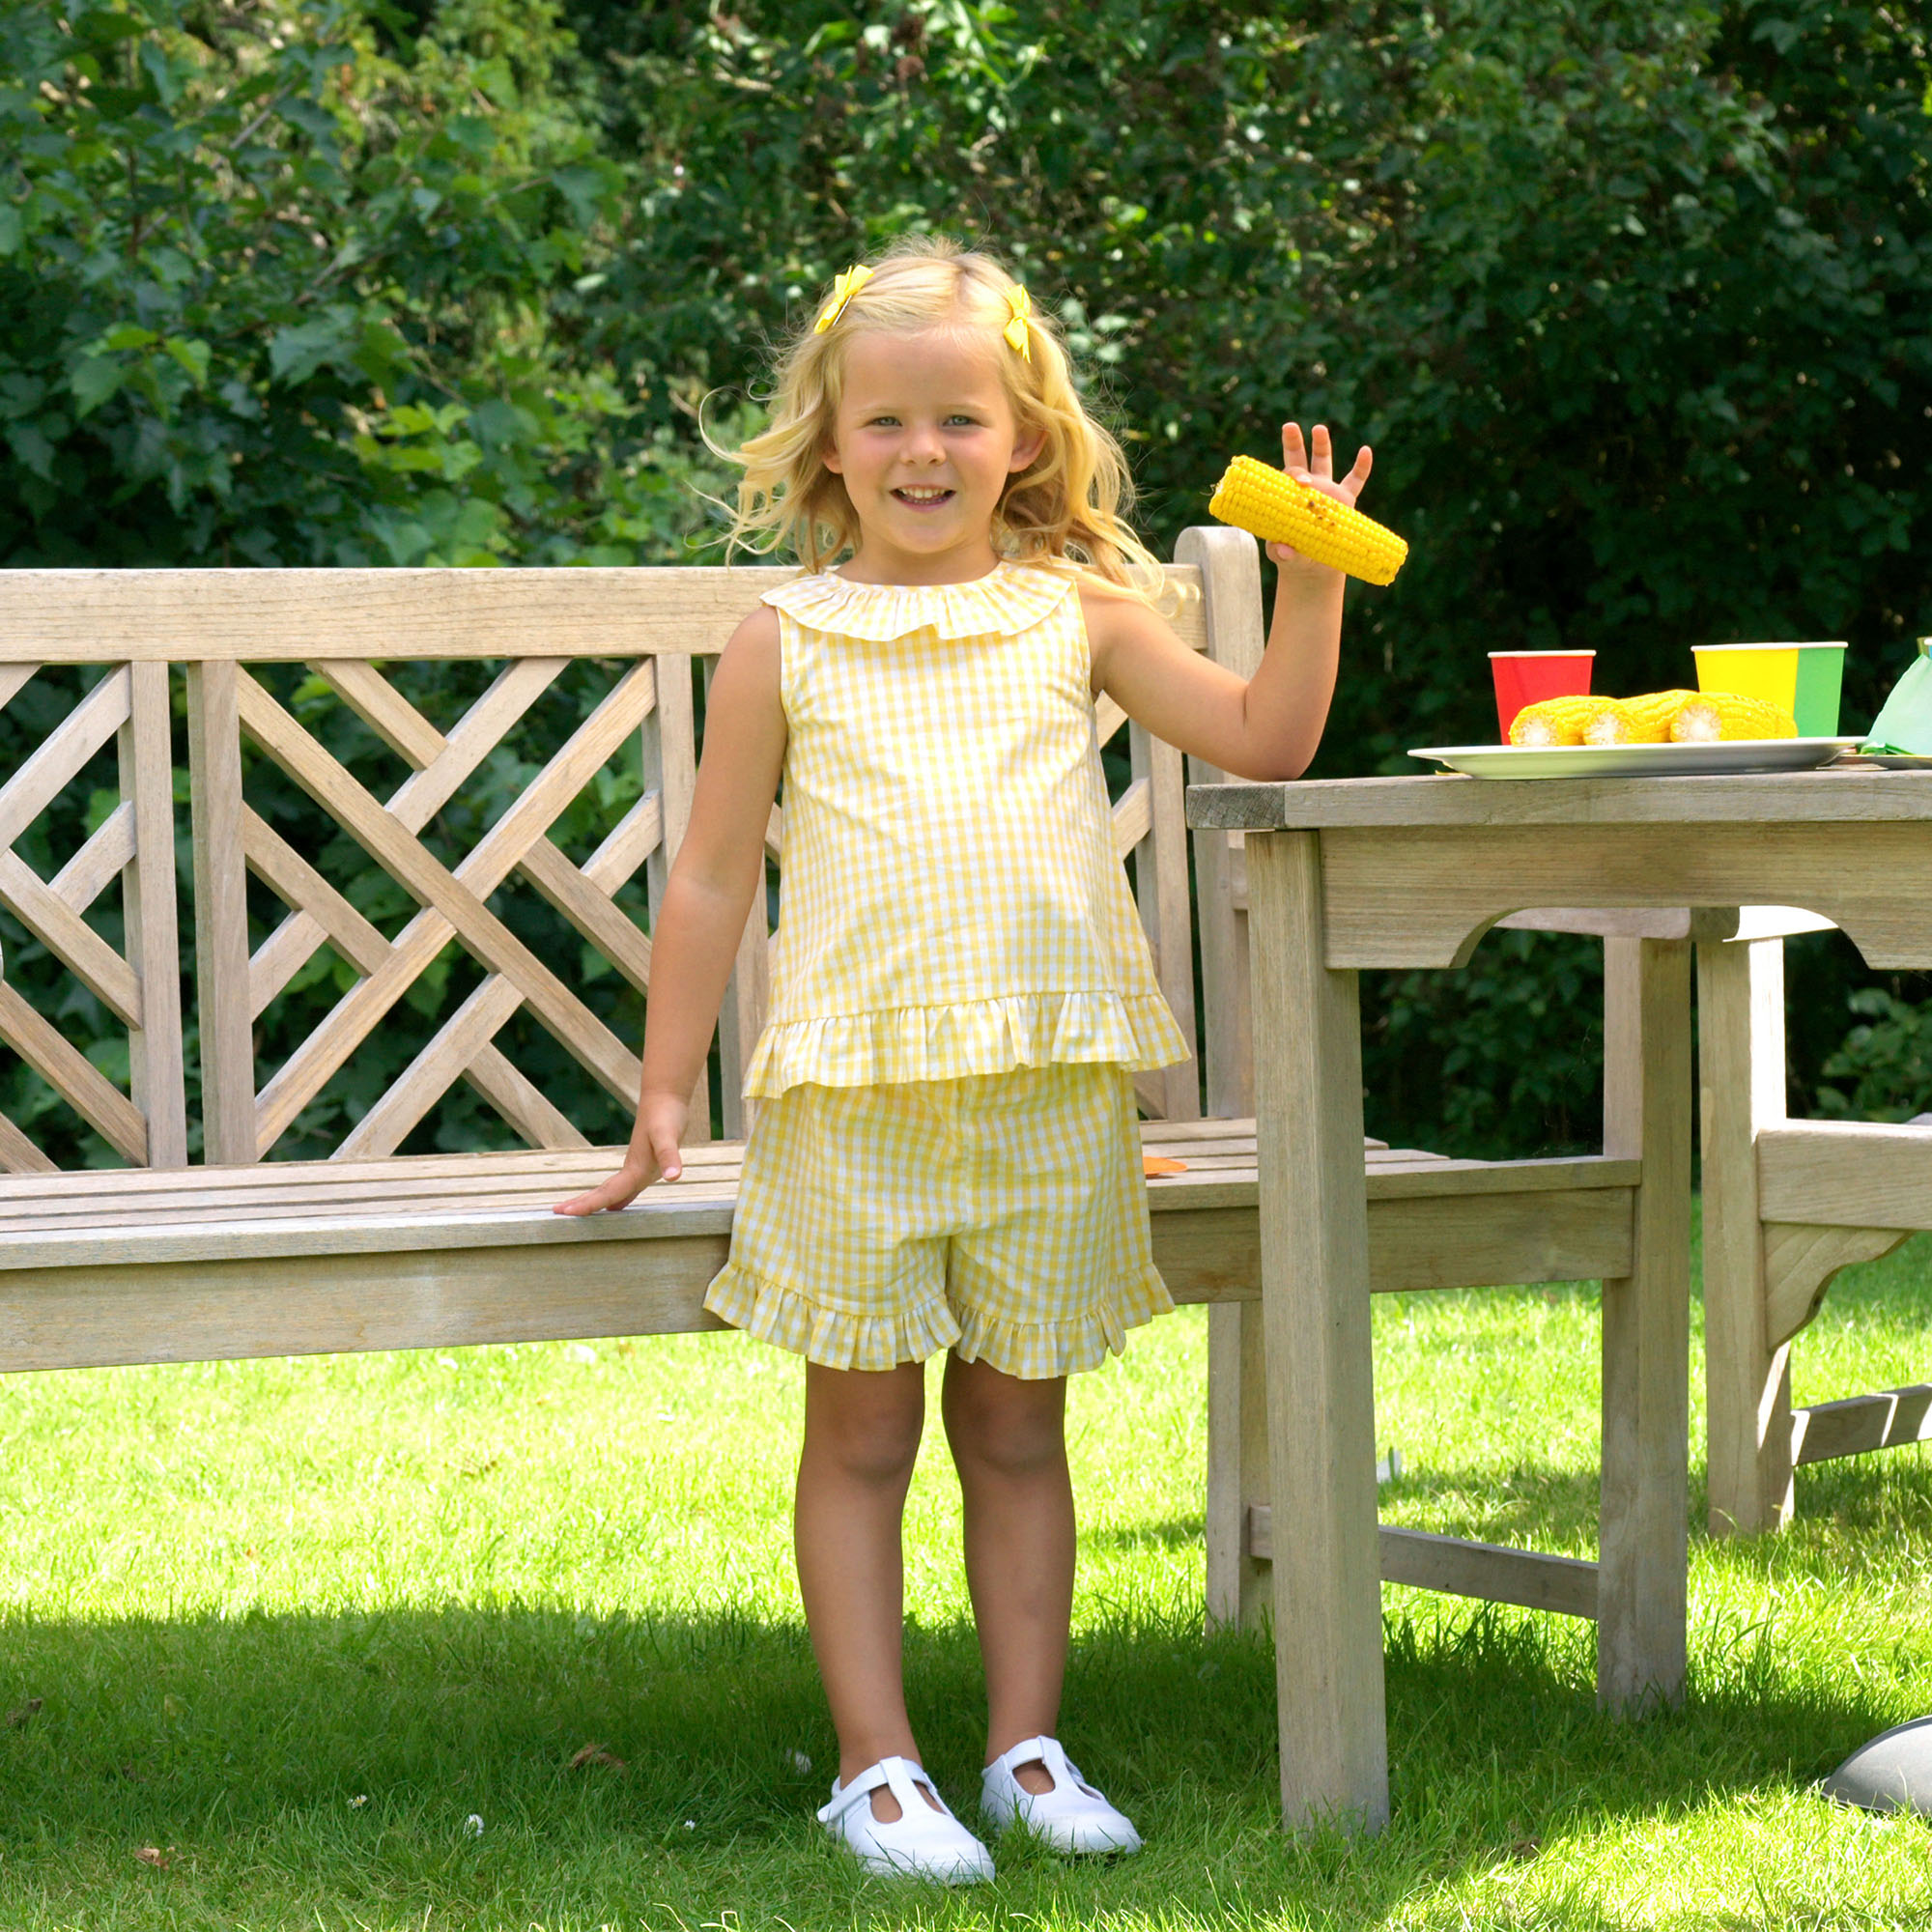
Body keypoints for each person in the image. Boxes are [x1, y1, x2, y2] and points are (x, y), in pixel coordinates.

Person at [555, 237, 1372, 1884]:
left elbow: (1269, 741)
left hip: (1047, 1098)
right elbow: (712, 872)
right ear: (829, 444)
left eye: (959, 419)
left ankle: (1022, 1749)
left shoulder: (1080, 615)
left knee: (1017, 1436)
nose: (923, 453)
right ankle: (876, 1769)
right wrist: (661, 1090)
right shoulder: (782, 636)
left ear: (1024, 436)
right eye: (885, 424)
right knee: (859, 1441)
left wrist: (1313, 577)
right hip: (851, 1106)